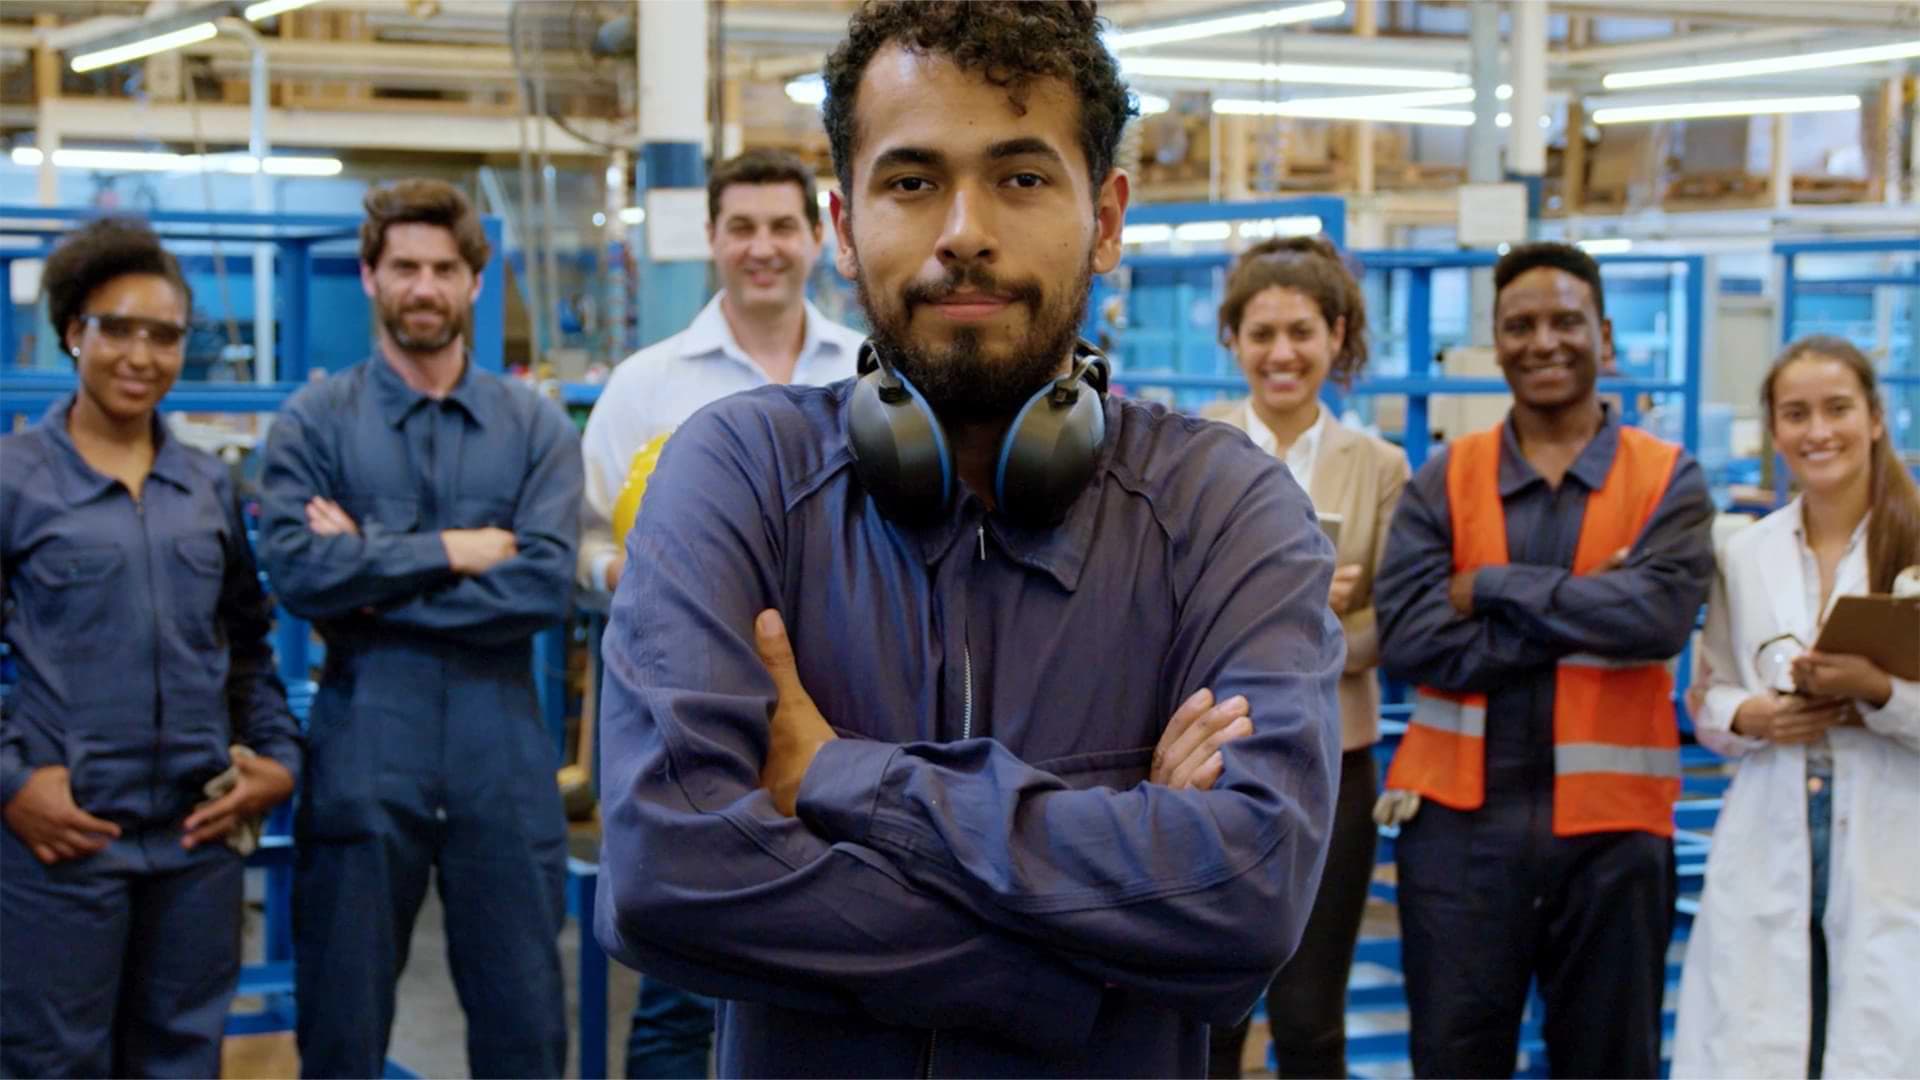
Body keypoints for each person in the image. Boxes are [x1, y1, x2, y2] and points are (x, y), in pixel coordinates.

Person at [594, 2, 1345, 1076]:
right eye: (911, 182)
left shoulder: (1223, 511)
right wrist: (1075, 959)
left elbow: (1246, 893)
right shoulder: (739, 479)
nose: (963, 230)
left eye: (1022, 177)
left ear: (1108, 216)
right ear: (844, 226)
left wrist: (848, 780)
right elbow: (666, 877)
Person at [258, 179, 581, 1078]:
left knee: (524, 1024)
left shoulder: (534, 428)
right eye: (404, 267)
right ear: (370, 276)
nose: (425, 286)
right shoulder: (312, 425)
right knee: (342, 1023)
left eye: (444, 269)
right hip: (366, 746)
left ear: (475, 284)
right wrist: (456, 548)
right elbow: (298, 573)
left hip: (503, 756)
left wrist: (371, 569)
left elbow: (543, 586)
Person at [1374, 241, 1715, 1078]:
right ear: (1497, 343)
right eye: (1519, 325)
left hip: (1616, 836)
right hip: (1457, 832)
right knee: (1453, 1059)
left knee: (1608, 1062)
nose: (1544, 341)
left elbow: (1660, 620)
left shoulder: (1668, 478)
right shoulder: (1445, 480)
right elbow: (1414, 639)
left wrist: (1489, 584)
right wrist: (1590, 603)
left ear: (1604, 333)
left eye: (1566, 321)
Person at [0, 217, 301, 1076]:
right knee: (52, 1062)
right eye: (117, 329)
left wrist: (276, 757)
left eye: (164, 335)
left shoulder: (205, 483)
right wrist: (13, 783)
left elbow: (247, 641)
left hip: (195, 843)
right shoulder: (14, 479)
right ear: (73, 333)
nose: (141, 354)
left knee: (181, 1059)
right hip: (62, 847)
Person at [1673, 335, 1920, 1079]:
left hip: (1893, 826)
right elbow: (1707, 695)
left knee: (1880, 1031)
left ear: (1875, 418)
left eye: (1838, 409)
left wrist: (1877, 691)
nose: (1819, 432)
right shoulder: (1744, 553)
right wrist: (1752, 716)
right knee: (1766, 1037)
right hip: (1772, 821)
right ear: (1775, 430)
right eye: (1796, 414)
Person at [1200, 236, 1409, 1079]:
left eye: (1301, 332)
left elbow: (1388, 632)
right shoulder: (1192, 445)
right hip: (1207, 762)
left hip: (1334, 762)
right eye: (1261, 333)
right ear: (1234, 340)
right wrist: (1297, 605)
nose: (1281, 354)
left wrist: (1318, 628)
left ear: (1336, 335)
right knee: (1207, 1005)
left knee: (1310, 1017)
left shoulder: (1381, 468)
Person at [581, 148, 864, 601]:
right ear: (712, 238)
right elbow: (587, 539)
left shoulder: (867, 372)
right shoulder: (642, 385)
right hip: (691, 655)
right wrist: (637, 578)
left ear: (817, 236)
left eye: (782, 227)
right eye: (741, 228)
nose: (762, 248)